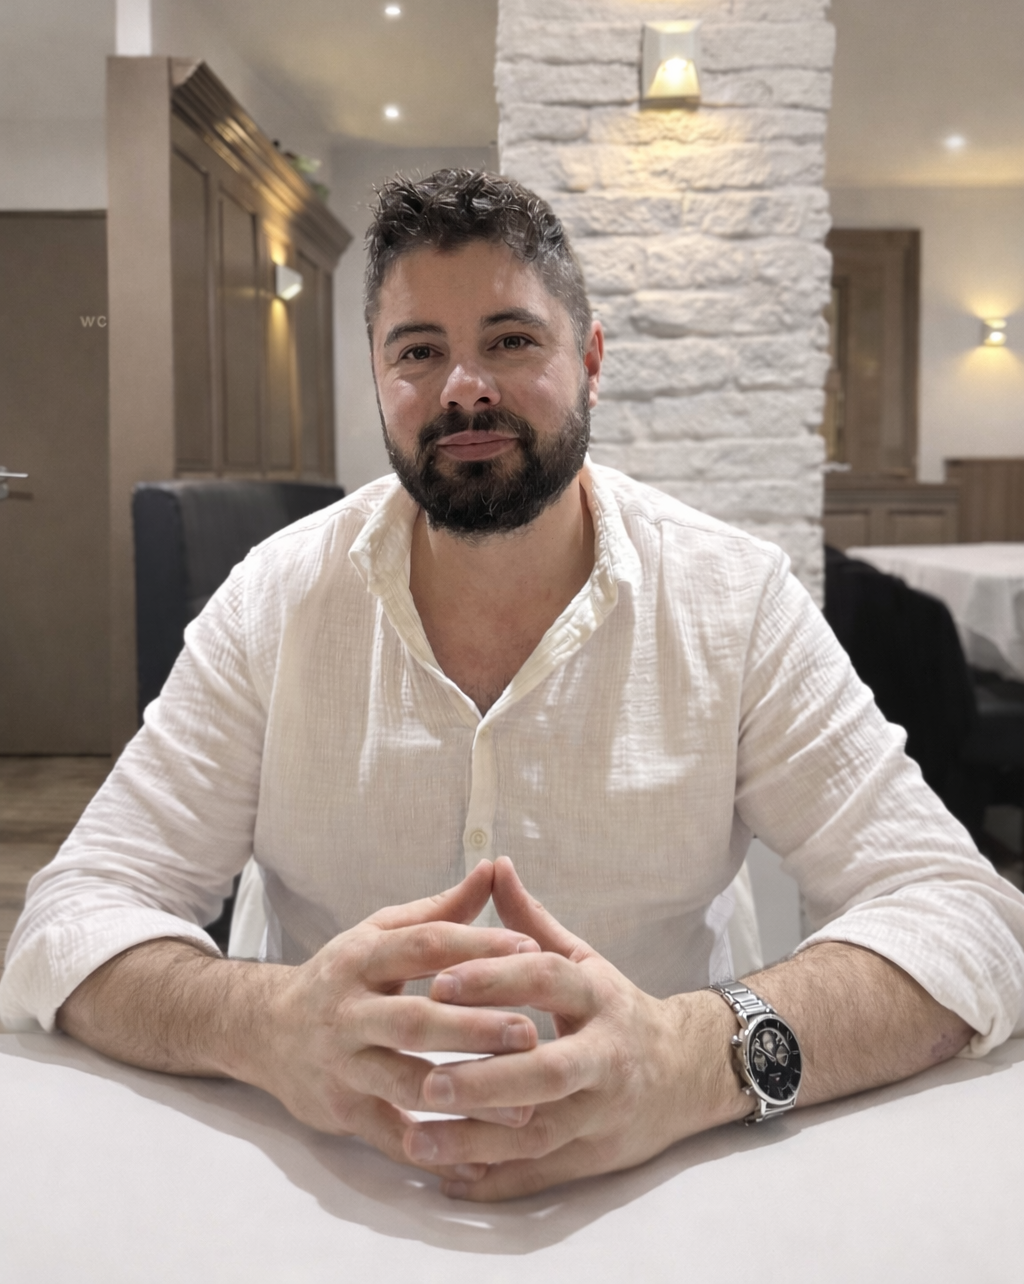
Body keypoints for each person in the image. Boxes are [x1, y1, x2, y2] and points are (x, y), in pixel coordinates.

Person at [3, 169, 1023, 1204]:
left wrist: (690, 1059)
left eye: (511, 340)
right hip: (323, 1188)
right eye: (417, 351)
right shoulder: (273, 602)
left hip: (666, 1189)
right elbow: (74, 915)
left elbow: (961, 915)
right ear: (377, 379)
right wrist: (260, 1024)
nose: (464, 388)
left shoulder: (734, 601)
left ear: (590, 361)